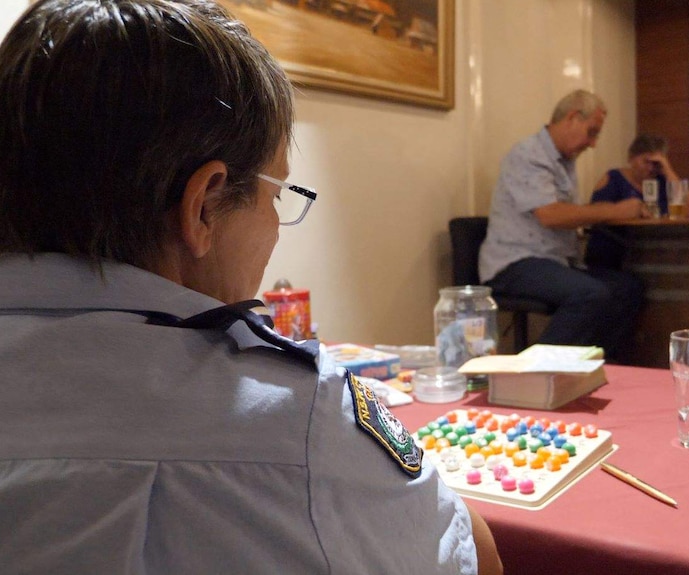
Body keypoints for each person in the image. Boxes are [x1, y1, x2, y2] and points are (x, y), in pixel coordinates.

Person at [0, 2, 501, 574]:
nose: (274, 226)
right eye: (276, 193)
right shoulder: (298, 419)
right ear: (205, 205)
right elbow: (474, 555)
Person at [479, 89, 645, 362]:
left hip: (551, 260)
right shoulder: (529, 154)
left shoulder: (563, 161)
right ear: (572, 118)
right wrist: (614, 210)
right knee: (590, 294)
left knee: (628, 287)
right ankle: (531, 374)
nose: (592, 144)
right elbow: (550, 215)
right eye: (592, 132)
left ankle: (600, 365)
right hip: (514, 262)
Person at [585, 133, 689, 268]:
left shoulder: (662, 181)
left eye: (655, 164)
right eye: (646, 161)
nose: (650, 168)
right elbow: (595, 212)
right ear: (631, 158)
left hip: (653, 255)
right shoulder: (614, 179)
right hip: (614, 253)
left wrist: (667, 169)